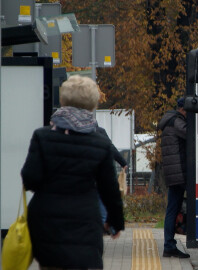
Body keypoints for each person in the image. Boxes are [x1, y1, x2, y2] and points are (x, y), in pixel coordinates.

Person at [21, 75, 125, 269]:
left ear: (63, 99)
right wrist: (115, 223)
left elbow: (30, 179)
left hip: (46, 223)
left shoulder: (42, 137)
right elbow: (110, 190)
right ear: (93, 103)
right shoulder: (100, 143)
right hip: (85, 223)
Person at [157, 97, 190, 258]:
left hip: (173, 172)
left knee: (172, 209)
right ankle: (169, 245)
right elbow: (191, 135)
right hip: (179, 172)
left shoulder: (169, 119)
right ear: (183, 109)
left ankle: (169, 245)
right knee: (173, 210)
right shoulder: (177, 121)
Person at [96, 125, 128, 228]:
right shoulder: (99, 131)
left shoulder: (72, 132)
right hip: (100, 174)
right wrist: (123, 162)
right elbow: (110, 148)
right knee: (102, 198)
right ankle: (105, 223)